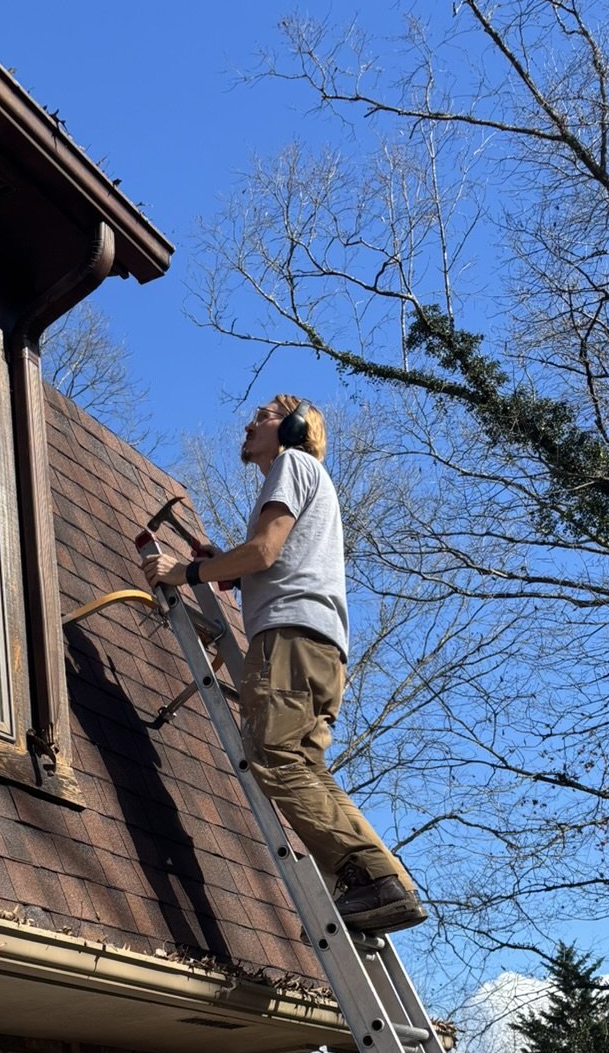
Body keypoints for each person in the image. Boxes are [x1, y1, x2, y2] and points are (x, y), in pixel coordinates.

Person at [140, 395, 427, 934]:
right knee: (301, 764)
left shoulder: (293, 465)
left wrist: (184, 574)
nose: (250, 423)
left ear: (295, 428)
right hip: (320, 646)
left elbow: (265, 552)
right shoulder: (312, 480)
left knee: (271, 754)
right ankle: (379, 884)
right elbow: (271, 563)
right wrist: (220, 564)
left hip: (290, 639)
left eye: (266, 415)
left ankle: (373, 879)